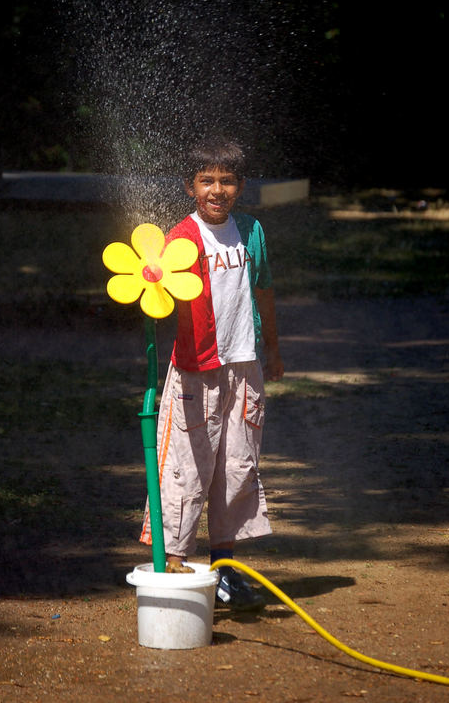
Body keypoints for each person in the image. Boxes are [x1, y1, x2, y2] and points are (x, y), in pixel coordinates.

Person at [140, 138, 284, 611]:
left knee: (237, 464)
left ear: (241, 187)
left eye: (227, 181)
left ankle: (225, 569)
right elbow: (158, 295)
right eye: (207, 181)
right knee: (187, 464)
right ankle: (176, 562)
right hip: (197, 368)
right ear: (190, 187)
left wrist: (273, 349)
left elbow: (262, 290)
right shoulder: (181, 238)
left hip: (244, 364)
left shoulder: (251, 230)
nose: (217, 190)